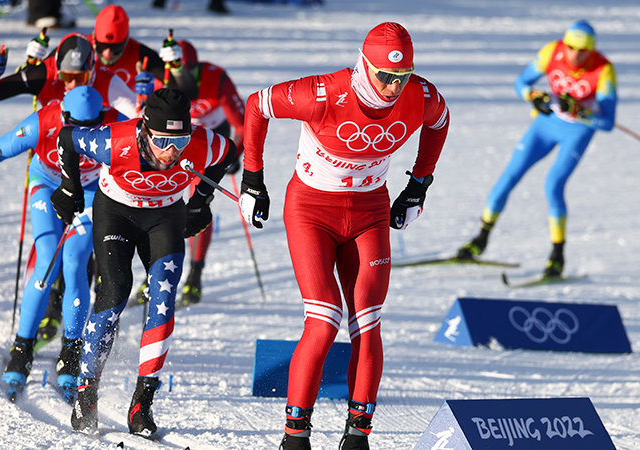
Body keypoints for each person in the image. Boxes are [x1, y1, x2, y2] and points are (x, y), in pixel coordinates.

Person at [237, 22, 449, 450]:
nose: (392, 87)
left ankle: (358, 436)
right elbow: (257, 106)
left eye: (401, 77)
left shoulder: (420, 95)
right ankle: (295, 435)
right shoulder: (322, 93)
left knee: (368, 321)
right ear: (363, 64)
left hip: (369, 213)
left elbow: (440, 121)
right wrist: (253, 179)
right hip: (311, 212)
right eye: (384, 76)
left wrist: (419, 185)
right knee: (324, 317)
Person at [55, 88, 233, 436]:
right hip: (116, 213)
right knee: (116, 292)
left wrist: (200, 200)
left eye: (180, 141)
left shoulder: (203, 143)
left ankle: (142, 403)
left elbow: (228, 151)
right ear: (144, 131)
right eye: (163, 141)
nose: (171, 152)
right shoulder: (113, 140)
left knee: (163, 300)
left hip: (164, 215)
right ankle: (86, 391)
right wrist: (68, 187)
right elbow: (67, 138)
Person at [0, 86, 123, 400]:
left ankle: (70, 350)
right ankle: (22, 346)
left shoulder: (113, 121)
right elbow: (9, 142)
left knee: (75, 262)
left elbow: (143, 139)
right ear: (65, 115)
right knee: (47, 262)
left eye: (90, 127)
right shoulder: (47, 118)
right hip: (47, 184)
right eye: (76, 126)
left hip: (90, 191)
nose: (83, 135)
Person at [456, 20, 617, 278]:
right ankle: (481, 239)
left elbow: (607, 122)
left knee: (553, 185)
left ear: (592, 51)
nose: (576, 55)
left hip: (576, 133)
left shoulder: (603, 69)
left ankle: (557, 255)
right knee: (510, 175)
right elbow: (520, 84)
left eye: (583, 50)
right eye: (571, 47)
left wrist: (579, 111)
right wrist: (534, 97)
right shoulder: (551, 52)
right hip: (545, 126)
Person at [131, 39, 245, 307]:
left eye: (190, 70)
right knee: (160, 201)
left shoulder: (216, 78)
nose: (184, 78)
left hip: (208, 141)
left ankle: (195, 273)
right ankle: (153, 273)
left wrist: (234, 156)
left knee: (196, 203)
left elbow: (242, 125)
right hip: (171, 143)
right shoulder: (162, 81)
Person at [0, 32, 138, 119]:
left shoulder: (107, 81)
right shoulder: (42, 75)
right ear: (57, 71)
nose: (72, 85)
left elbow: (139, 120)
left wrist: (145, 98)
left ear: (92, 71)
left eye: (80, 78)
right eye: (66, 77)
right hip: (51, 157)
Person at [85, 4, 197, 99]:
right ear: (94, 38)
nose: (107, 54)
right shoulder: (79, 46)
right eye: (101, 46)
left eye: (116, 48)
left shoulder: (141, 54)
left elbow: (188, 94)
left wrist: (177, 67)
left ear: (126, 41)